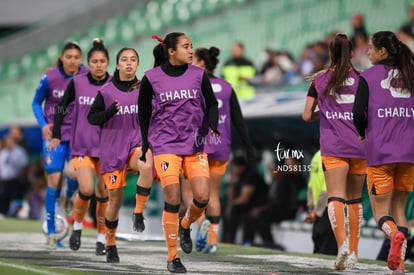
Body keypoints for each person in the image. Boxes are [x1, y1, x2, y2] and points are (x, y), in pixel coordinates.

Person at [138, 32, 219, 273]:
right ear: (171, 51)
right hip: (165, 146)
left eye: (191, 46)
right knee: (173, 197)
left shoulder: (198, 74)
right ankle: (173, 257)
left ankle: (185, 225)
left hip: (195, 145)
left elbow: (212, 102)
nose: (191, 50)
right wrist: (145, 142)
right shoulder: (151, 78)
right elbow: (143, 112)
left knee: (203, 198)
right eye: (186, 47)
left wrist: (213, 124)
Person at [179, 46, 255, 254]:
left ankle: (201, 221)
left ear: (202, 63)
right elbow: (239, 121)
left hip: (197, 146)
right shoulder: (227, 87)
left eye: (194, 59)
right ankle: (212, 241)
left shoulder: (191, 85)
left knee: (189, 192)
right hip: (222, 147)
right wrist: (249, 147)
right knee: (213, 193)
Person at [352, 30, 414, 274]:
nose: (367, 51)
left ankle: (395, 236)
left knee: (381, 213)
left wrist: (362, 132)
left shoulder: (368, 76)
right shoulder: (411, 73)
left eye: (370, 47)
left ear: (383, 51)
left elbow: (357, 114)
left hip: (381, 152)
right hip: (409, 153)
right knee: (400, 210)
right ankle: (398, 268)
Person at [303, 33, 366, 270]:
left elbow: (307, 115)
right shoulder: (363, 79)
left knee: (335, 196)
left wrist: (325, 112)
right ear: (352, 53)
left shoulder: (319, 81)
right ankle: (354, 251)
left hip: (334, 147)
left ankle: (341, 245)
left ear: (330, 55)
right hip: (360, 145)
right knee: (355, 199)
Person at [87, 47, 154, 263]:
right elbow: (92, 118)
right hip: (112, 150)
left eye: (133, 59)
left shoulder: (145, 88)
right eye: (124, 59)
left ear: (137, 64)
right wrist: (108, 113)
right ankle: (110, 243)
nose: (128, 63)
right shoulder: (105, 92)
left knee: (146, 163)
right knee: (113, 202)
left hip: (135, 145)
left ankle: (138, 212)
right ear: (117, 65)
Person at [49, 39, 111, 256]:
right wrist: (56, 133)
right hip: (82, 147)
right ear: (88, 63)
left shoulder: (113, 85)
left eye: (102, 61)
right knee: (86, 190)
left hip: (106, 149)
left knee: (103, 195)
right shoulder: (77, 82)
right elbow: (61, 107)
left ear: (108, 63)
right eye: (94, 61)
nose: (98, 65)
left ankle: (102, 238)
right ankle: (77, 227)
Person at [31, 41, 87, 249]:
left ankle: (70, 195)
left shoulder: (86, 75)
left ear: (81, 59)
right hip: (53, 136)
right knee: (54, 180)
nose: (73, 60)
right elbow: (36, 102)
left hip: (77, 135)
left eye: (76, 57)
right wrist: (43, 124)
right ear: (62, 58)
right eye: (69, 57)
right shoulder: (50, 78)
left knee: (74, 174)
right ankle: (52, 233)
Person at [244, 157, 305, 249]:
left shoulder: (286, 183)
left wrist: (262, 209)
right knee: (249, 215)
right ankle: (247, 242)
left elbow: (279, 203)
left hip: (285, 211)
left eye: (273, 169)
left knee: (261, 216)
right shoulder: (274, 182)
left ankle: (269, 243)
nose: (271, 172)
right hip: (275, 209)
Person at [221, 155, 268, 245]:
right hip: (248, 206)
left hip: (259, 205)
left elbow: (244, 199)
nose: (233, 170)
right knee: (228, 208)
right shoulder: (238, 177)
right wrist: (231, 183)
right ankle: (227, 238)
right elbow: (231, 196)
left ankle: (235, 240)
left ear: (241, 167)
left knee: (235, 209)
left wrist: (231, 206)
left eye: (235, 168)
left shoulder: (250, 176)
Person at [304, 150, 337, 256]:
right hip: (328, 209)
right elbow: (327, 188)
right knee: (328, 251)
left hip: (317, 209)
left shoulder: (316, 155)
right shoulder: (333, 157)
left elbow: (310, 185)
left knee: (317, 248)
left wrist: (312, 210)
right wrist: (316, 212)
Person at [0, 134, 29, 216]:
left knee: (16, 199)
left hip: (15, 180)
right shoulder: (3, 152)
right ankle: (3, 213)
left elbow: (25, 165)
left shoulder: (19, 151)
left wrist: (22, 177)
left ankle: (16, 214)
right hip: (4, 180)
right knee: (4, 198)